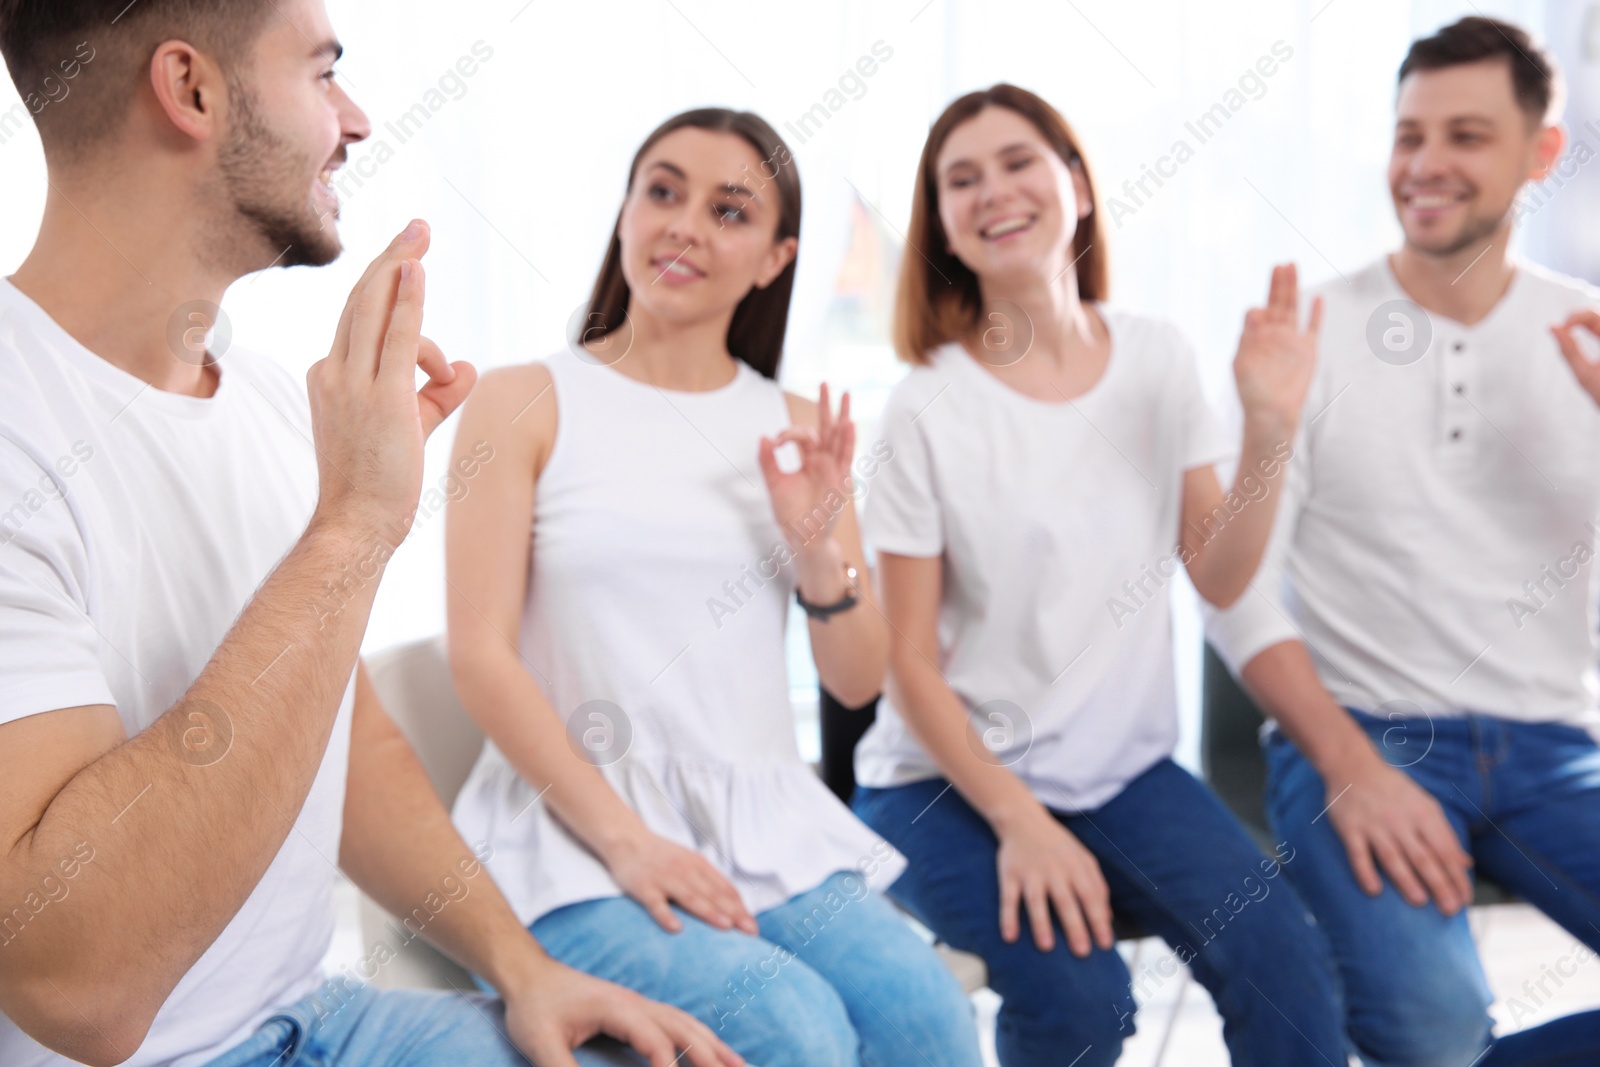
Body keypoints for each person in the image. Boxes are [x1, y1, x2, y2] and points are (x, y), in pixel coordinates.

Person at [0, 3, 742, 1066]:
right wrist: (353, 527)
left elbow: (343, 749)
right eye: (323, 73)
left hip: (318, 1015)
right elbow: (80, 990)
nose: (354, 119)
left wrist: (523, 968)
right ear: (191, 89)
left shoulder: (261, 403)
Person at [444, 107, 985, 1067]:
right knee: (794, 1028)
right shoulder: (522, 398)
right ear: (625, 215)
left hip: (763, 833)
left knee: (929, 1017)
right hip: (570, 840)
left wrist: (819, 553)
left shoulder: (796, 424)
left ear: (775, 259)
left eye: (729, 211)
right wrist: (627, 841)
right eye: (663, 190)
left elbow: (856, 682)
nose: (685, 224)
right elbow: (479, 656)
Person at [847, 83, 1348, 1067]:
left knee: (1287, 973)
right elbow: (904, 662)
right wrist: (1018, 819)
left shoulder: (1155, 357)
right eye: (961, 179)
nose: (993, 190)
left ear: (1074, 182)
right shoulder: (925, 408)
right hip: (941, 783)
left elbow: (1218, 571)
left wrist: (1269, 430)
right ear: (942, 222)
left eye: (1018, 161)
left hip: (1121, 771)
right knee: (1081, 1000)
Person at [1207, 15, 1600, 1067]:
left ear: (1541, 154)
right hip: (1361, 733)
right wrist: (1347, 763)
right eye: (1407, 134)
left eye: (1465, 135)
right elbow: (1228, 593)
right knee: (1427, 1027)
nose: (1423, 165)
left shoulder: (1589, 334)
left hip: (1553, 749)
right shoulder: (1307, 336)